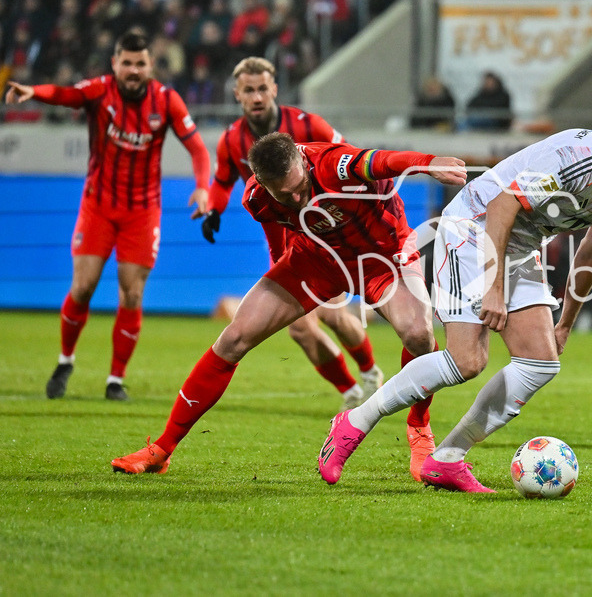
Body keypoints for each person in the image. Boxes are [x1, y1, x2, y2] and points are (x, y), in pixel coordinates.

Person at [317, 123, 592, 492]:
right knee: (466, 361)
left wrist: (566, 322)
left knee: (540, 363)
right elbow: (504, 203)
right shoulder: (585, 157)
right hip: (474, 226)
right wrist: (494, 288)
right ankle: (354, 421)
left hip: (520, 245)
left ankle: (447, 459)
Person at [110, 133, 467, 476]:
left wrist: (428, 163)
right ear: (263, 185)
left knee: (420, 335)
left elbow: (382, 160)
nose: (297, 199)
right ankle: (161, 450)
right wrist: (289, 286)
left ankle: (419, 428)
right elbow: (278, 237)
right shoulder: (256, 200)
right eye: (286, 194)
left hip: (383, 255)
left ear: (303, 162)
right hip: (316, 261)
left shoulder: (331, 164)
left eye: (300, 187)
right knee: (233, 339)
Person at [4, 30, 210, 401]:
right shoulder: (100, 91)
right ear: (115, 63)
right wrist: (35, 92)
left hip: (142, 211)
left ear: (151, 66)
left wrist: (202, 185)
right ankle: (65, 360)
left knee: (132, 293)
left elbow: (197, 148)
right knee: (82, 287)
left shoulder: (166, 100)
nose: (133, 70)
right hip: (98, 205)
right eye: (126, 63)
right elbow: (66, 95)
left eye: (140, 63)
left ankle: (115, 379)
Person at [199, 56, 386, 415]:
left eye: (262, 88)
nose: (256, 96)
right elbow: (223, 180)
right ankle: (350, 389)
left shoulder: (306, 123)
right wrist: (213, 210)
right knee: (300, 329)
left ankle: (369, 371)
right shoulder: (232, 140)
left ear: (274, 90)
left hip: (322, 235)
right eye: (248, 90)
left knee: (333, 315)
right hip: (280, 239)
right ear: (237, 95)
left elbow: (347, 157)